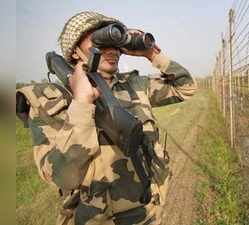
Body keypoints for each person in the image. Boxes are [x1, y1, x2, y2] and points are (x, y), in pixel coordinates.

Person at [16, 11, 196, 225]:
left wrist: (151, 54)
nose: (112, 50)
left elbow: (187, 87)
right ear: (74, 51)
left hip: (148, 210)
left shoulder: (135, 85)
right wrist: (82, 104)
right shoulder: (49, 100)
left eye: (116, 43)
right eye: (100, 39)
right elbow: (64, 176)